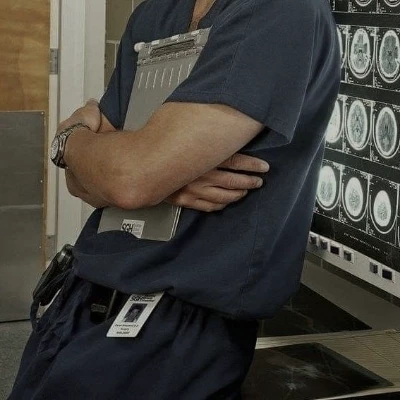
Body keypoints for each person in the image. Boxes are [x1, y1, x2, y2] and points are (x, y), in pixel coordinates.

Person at [9, 0, 340, 398]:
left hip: (170, 334)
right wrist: (131, 168)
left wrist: (70, 139)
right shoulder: (157, 12)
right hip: (77, 306)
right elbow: (82, 184)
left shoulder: (280, 12)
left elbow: (128, 180)